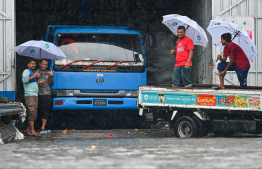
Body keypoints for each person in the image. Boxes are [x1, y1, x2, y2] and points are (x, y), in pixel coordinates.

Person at [22, 59, 41, 137]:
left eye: (35, 64)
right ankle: (32, 131)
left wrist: (38, 81)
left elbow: (32, 83)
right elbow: (24, 80)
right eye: (32, 64)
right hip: (30, 95)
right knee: (32, 111)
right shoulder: (26, 71)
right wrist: (34, 76)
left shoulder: (32, 72)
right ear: (28, 64)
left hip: (34, 95)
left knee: (33, 112)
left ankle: (29, 130)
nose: (34, 65)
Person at [37, 59, 54, 134]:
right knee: (35, 111)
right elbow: (31, 82)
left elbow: (51, 83)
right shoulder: (35, 72)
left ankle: (43, 127)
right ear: (40, 64)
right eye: (43, 64)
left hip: (46, 94)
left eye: (46, 65)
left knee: (45, 111)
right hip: (36, 94)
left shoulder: (48, 73)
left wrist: (51, 75)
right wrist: (39, 82)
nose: (44, 66)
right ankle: (32, 128)